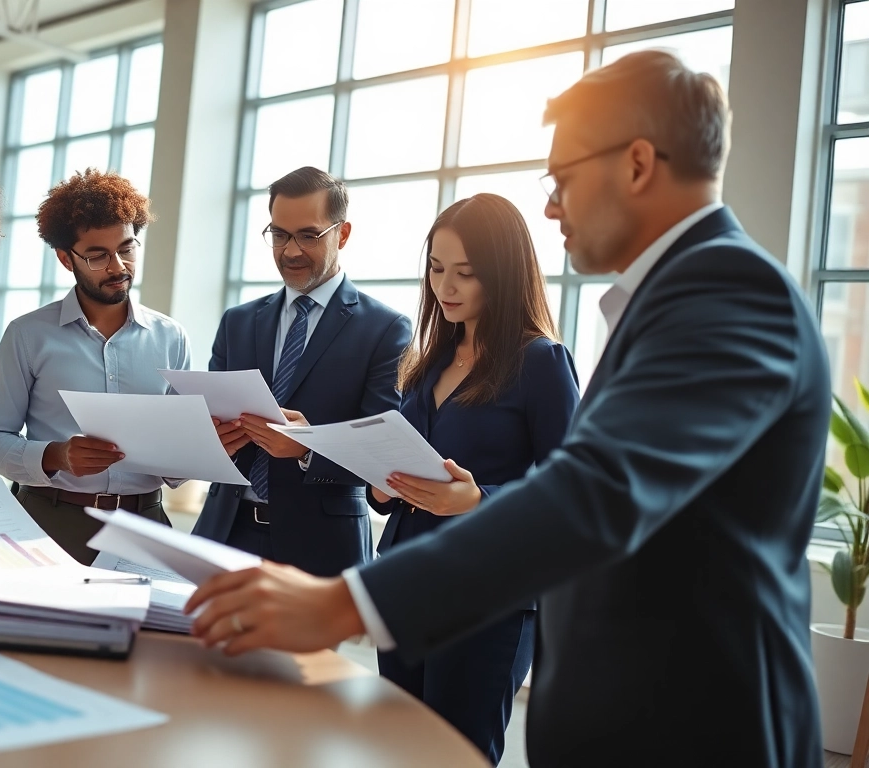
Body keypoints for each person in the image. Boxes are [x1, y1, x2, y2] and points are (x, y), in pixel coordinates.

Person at [185, 50, 828, 767]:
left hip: (696, 725)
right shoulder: (680, 298)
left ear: (638, 164)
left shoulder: (729, 293)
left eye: (563, 181)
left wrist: (342, 603)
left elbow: (595, 491)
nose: (551, 207)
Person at [365, 192, 579, 764]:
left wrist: (477, 499)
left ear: (504, 274)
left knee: (457, 753)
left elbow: (571, 490)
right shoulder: (430, 359)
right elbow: (398, 467)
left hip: (488, 591)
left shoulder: (540, 362)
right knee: (399, 748)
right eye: (436, 269)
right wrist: (379, 485)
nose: (446, 287)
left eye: (466, 273)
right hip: (406, 577)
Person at [192, 166, 412, 577]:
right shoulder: (237, 322)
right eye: (279, 234)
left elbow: (384, 451)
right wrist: (210, 439)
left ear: (342, 235)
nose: (290, 250)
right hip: (224, 534)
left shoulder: (385, 329)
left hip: (321, 548)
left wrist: (309, 449)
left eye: (308, 236)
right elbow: (203, 430)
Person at [0, 169, 191, 565]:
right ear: (65, 258)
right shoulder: (28, 335)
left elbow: (177, 468)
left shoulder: (171, 337)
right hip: (48, 522)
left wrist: (205, 447)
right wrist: (55, 456)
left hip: (145, 526)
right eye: (97, 256)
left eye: (127, 248)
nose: (117, 266)